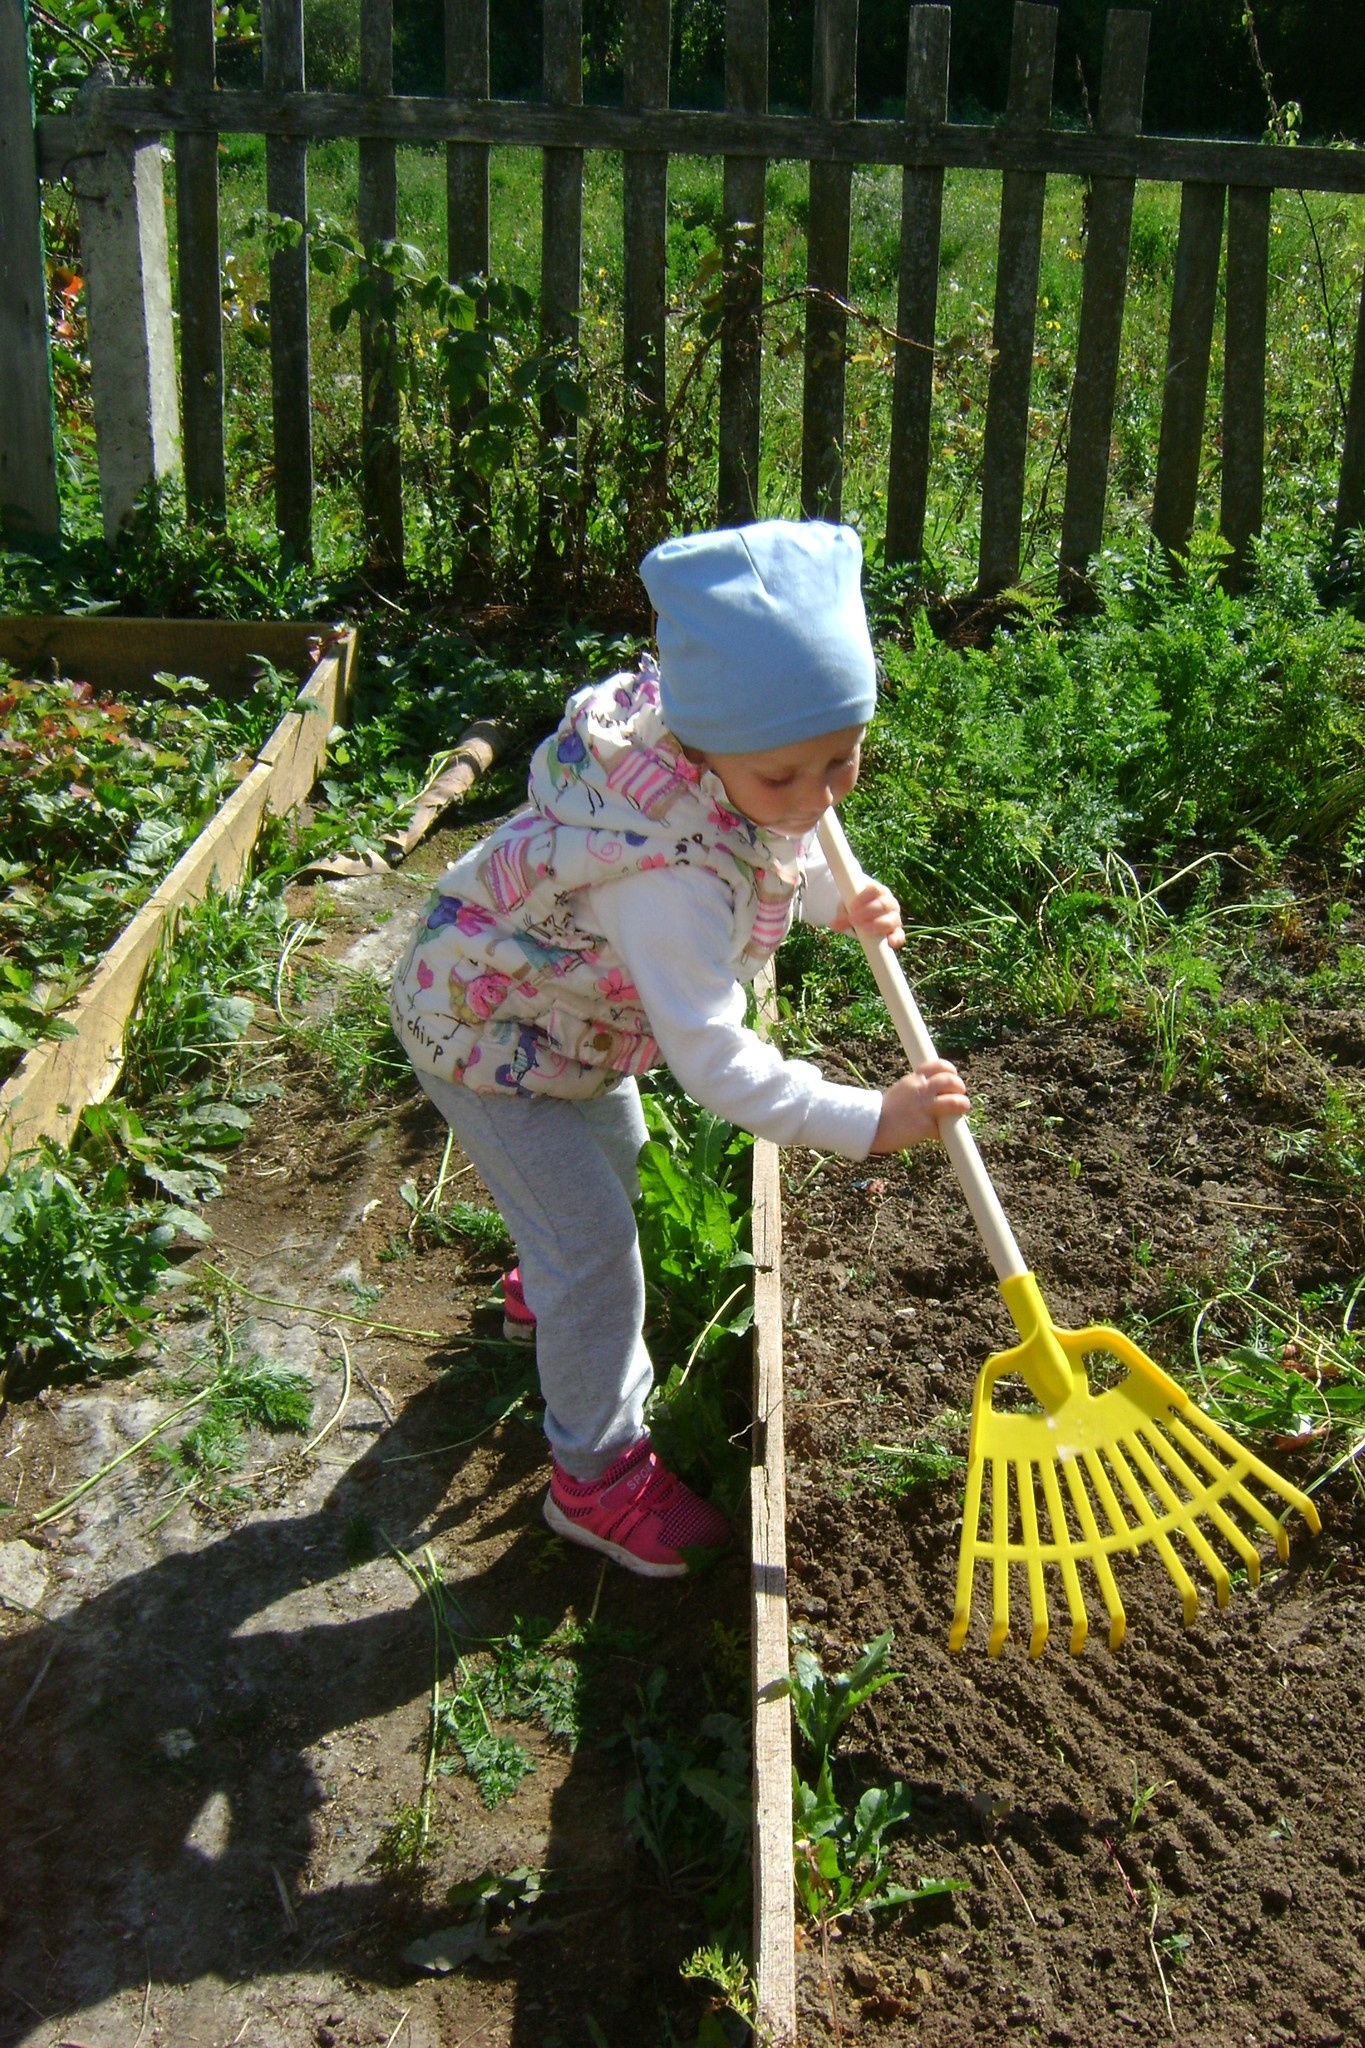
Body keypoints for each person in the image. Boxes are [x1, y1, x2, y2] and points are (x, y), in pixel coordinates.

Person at [389, 520, 969, 1579]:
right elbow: (718, 1062)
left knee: (606, 1170)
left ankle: (544, 1290)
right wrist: (868, 1119)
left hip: (566, 1029)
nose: (820, 796)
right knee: (599, 1253)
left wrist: (833, 897)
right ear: (701, 750)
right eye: (787, 775)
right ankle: (596, 1476)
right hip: (481, 1036)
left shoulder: (736, 764)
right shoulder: (665, 878)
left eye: (844, 758)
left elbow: (769, 845)